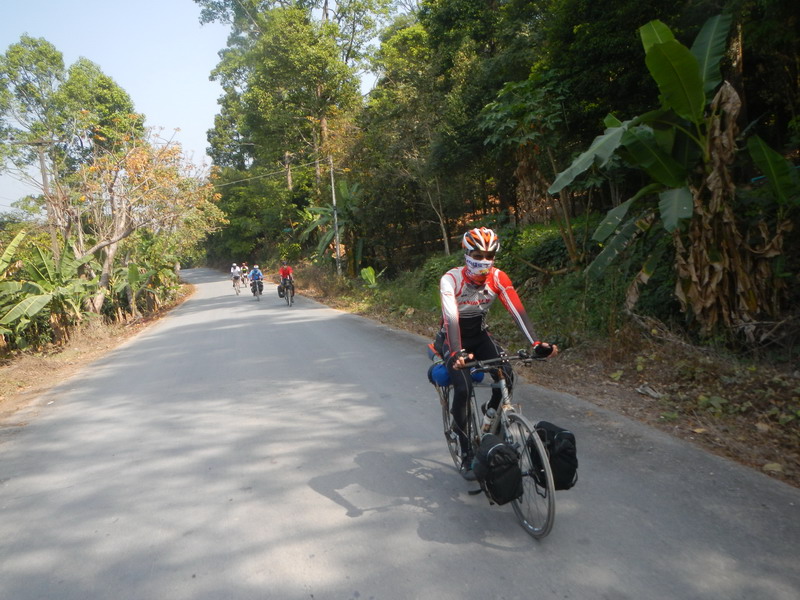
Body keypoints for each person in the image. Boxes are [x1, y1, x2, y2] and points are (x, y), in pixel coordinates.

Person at [438, 227, 558, 480]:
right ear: (466, 254)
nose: (484, 261)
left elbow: (517, 310)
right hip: (452, 337)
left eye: (490, 256)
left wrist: (536, 343)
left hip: (479, 335)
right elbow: (451, 319)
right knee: (463, 388)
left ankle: (490, 414)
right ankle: (465, 448)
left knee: (507, 376)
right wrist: (457, 352)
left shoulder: (498, 278)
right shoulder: (451, 279)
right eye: (478, 255)